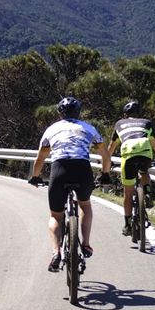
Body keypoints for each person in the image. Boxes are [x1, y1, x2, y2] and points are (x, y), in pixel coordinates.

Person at [29, 96, 111, 272]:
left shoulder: (52, 129)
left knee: (55, 216)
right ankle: (87, 244)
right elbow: (106, 156)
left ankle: (56, 252)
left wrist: (35, 176)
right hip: (82, 170)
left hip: (60, 170)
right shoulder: (89, 128)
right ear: (78, 112)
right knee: (85, 205)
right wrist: (105, 174)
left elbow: (41, 157)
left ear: (60, 113)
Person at [109, 100, 155, 235]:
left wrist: (108, 160)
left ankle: (127, 225)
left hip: (128, 155)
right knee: (144, 171)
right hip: (145, 152)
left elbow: (112, 147)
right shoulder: (147, 123)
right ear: (139, 113)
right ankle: (148, 193)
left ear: (125, 114)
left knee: (128, 193)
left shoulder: (119, 124)